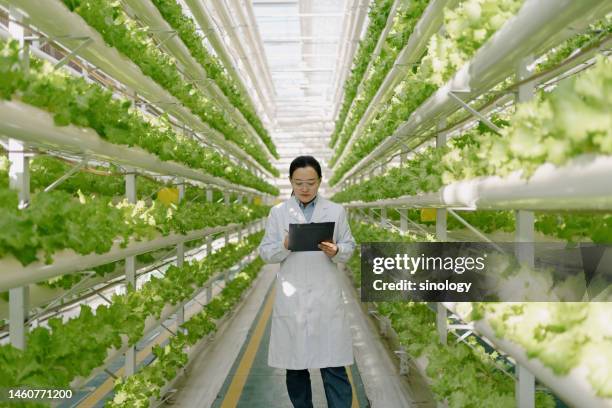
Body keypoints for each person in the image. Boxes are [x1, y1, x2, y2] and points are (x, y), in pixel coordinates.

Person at [258, 155, 356, 408]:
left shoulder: (335, 211)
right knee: (295, 367)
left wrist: (337, 251)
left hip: (326, 296)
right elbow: (266, 252)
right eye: (299, 183)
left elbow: (349, 245)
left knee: (333, 365)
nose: (304, 188)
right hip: (293, 298)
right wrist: (286, 244)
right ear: (290, 181)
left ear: (320, 181)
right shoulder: (278, 213)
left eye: (311, 183)